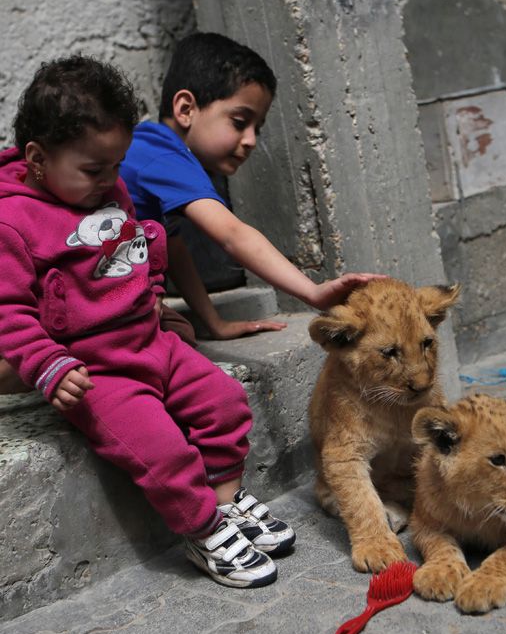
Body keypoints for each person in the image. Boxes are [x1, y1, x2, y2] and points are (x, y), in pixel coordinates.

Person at [0, 55, 294, 588]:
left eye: (116, 166)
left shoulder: (106, 188)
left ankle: (226, 503)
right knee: (161, 450)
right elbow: (9, 311)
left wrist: (154, 299)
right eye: (95, 170)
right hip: (96, 372)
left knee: (225, 403)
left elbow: (140, 248)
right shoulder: (13, 221)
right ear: (38, 158)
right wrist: (47, 364)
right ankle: (203, 531)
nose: (111, 181)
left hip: (151, 341)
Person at [120, 32, 380, 341]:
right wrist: (312, 292)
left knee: (179, 331)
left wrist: (214, 323)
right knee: (178, 337)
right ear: (186, 109)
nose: (251, 141)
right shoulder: (164, 155)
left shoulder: (150, 150)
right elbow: (232, 235)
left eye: (257, 128)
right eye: (240, 122)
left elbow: (173, 250)